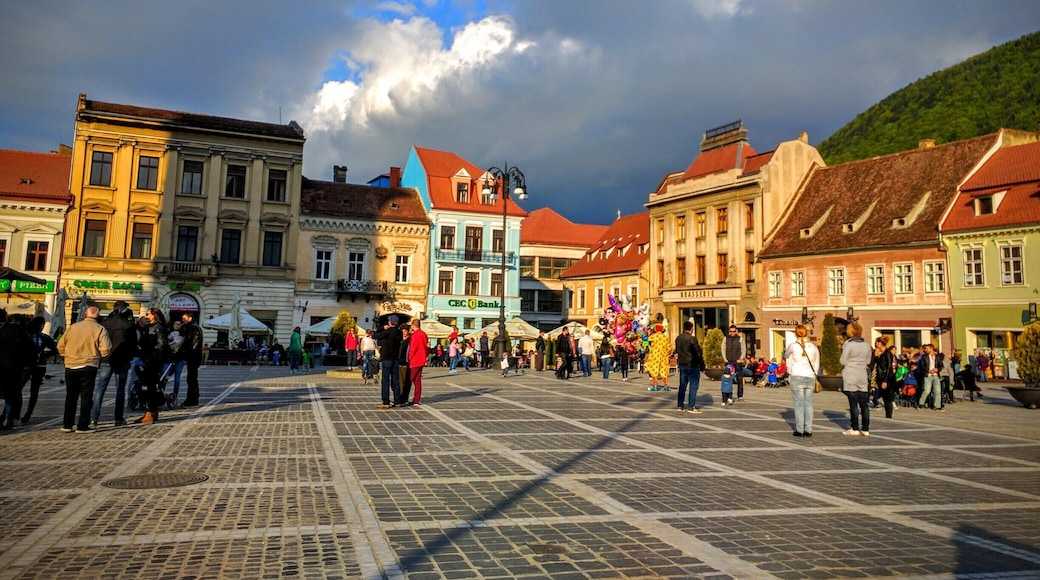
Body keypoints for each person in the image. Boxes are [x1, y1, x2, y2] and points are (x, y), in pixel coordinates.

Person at [57, 306, 112, 433]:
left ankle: (67, 424)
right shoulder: (100, 329)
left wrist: (67, 355)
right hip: (89, 364)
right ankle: (82, 425)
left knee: (70, 396)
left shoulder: (73, 327)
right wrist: (99, 355)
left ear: (85, 316)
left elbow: (60, 345)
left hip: (71, 364)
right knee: (86, 396)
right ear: (97, 317)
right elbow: (106, 349)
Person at [89, 303, 135, 427]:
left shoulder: (104, 323)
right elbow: (132, 343)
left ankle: (94, 418)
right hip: (122, 360)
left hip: (106, 359)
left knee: (100, 389)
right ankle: (118, 419)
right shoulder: (127, 325)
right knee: (120, 390)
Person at [133, 308, 169, 424]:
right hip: (151, 360)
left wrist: (150, 355)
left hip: (154, 361)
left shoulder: (157, 327)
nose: (146, 316)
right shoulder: (151, 326)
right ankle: (151, 413)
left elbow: (161, 344)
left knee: (151, 387)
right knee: (150, 387)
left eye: (148, 314)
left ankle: (150, 414)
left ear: (155, 315)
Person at [20, 316, 58, 425]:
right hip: (39, 366)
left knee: (19, 388)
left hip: (27, 365)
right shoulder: (44, 337)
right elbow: (55, 350)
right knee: (34, 391)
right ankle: (28, 413)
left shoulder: (26, 335)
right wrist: (43, 355)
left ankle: (11, 413)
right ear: (41, 325)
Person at [784, 324, 820, 437]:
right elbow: (817, 363)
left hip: (797, 376)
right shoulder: (814, 347)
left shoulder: (793, 346)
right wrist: (814, 375)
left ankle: (799, 430)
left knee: (799, 404)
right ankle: (808, 430)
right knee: (808, 404)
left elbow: (786, 355)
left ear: (796, 333)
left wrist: (790, 371)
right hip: (810, 377)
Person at [0, 312, 34, 430]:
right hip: (16, 368)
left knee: (9, 394)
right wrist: (27, 364)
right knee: (12, 395)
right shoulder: (20, 332)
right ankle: (8, 419)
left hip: (5, 368)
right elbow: (32, 348)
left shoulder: (5, 331)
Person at [840, 321, 872, 436]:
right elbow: (868, 361)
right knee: (864, 404)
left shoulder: (849, 345)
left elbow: (843, 361)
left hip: (850, 374)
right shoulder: (866, 345)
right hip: (862, 374)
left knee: (853, 404)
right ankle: (865, 428)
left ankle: (854, 428)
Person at [674, 321, 705, 413]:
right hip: (692, 365)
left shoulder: (678, 338)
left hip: (682, 365)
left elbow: (676, 351)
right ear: (691, 329)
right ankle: (691, 406)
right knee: (693, 386)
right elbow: (698, 353)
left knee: (682, 386)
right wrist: (702, 366)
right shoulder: (692, 339)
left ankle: (680, 405)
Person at [372, 316, 403, 408]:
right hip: (395, 358)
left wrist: (382, 328)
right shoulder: (399, 332)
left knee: (385, 380)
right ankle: (397, 401)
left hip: (387, 359)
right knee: (395, 380)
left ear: (390, 323)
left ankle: (386, 401)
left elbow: (374, 335)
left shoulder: (387, 332)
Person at [179, 312, 203, 407]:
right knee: (192, 378)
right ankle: (193, 398)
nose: (182, 320)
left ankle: (192, 399)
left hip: (193, 356)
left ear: (190, 318)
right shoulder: (192, 327)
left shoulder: (194, 328)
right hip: (193, 356)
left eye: (184, 318)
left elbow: (194, 344)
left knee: (191, 378)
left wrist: (187, 353)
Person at [721, 325, 747, 402]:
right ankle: (729, 396)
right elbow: (723, 349)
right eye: (730, 331)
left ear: (736, 331)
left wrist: (741, 358)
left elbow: (744, 349)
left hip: (737, 361)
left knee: (739, 379)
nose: (732, 333)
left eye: (733, 331)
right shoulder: (726, 338)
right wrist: (725, 359)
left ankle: (740, 395)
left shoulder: (740, 339)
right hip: (729, 361)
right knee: (728, 379)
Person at [645, 314, 670, 391]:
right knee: (664, 370)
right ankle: (666, 386)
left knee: (654, 370)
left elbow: (646, 339)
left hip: (655, 356)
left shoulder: (654, 336)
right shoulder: (665, 337)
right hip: (663, 356)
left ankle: (655, 385)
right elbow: (669, 347)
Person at [872, 344, 898, 418]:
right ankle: (887, 414)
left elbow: (889, 367)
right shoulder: (881, 354)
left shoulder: (887, 353)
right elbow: (873, 364)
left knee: (888, 398)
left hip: (888, 378)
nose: (876, 346)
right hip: (881, 378)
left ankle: (889, 415)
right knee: (885, 397)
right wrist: (876, 356)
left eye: (877, 344)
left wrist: (885, 380)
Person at [917, 343, 945, 411]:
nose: (926, 350)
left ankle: (937, 406)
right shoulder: (924, 357)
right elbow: (922, 366)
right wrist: (928, 371)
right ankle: (920, 403)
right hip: (928, 375)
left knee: (937, 391)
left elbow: (941, 365)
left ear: (931, 349)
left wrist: (937, 369)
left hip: (935, 375)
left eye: (927, 349)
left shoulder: (937, 357)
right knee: (927, 390)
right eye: (925, 349)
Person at [407, 319, 429, 405]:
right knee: (417, 381)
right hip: (422, 359)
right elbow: (427, 347)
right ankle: (416, 399)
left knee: (410, 379)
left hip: (415, 360)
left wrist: (409, 357)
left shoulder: (415, 335)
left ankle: (404, 397)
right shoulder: (424, 334)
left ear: (413, 326)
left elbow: (413, 348)